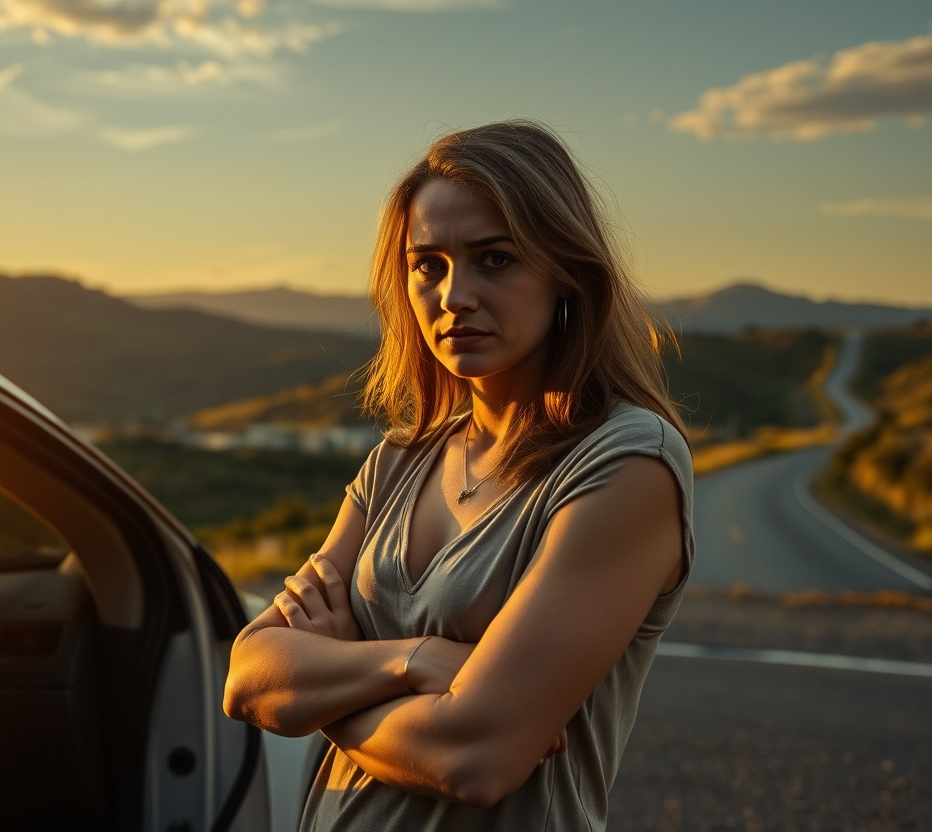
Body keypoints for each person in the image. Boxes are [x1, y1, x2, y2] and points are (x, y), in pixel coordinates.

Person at [222, 119, 694, 830]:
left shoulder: (626, 463)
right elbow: (250, 677)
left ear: (564, 269)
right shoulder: (398, 462)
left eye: (494, 260)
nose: (453, 295)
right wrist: (410, 661)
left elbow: (477, 758)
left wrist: (327, 682)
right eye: (428, 264)